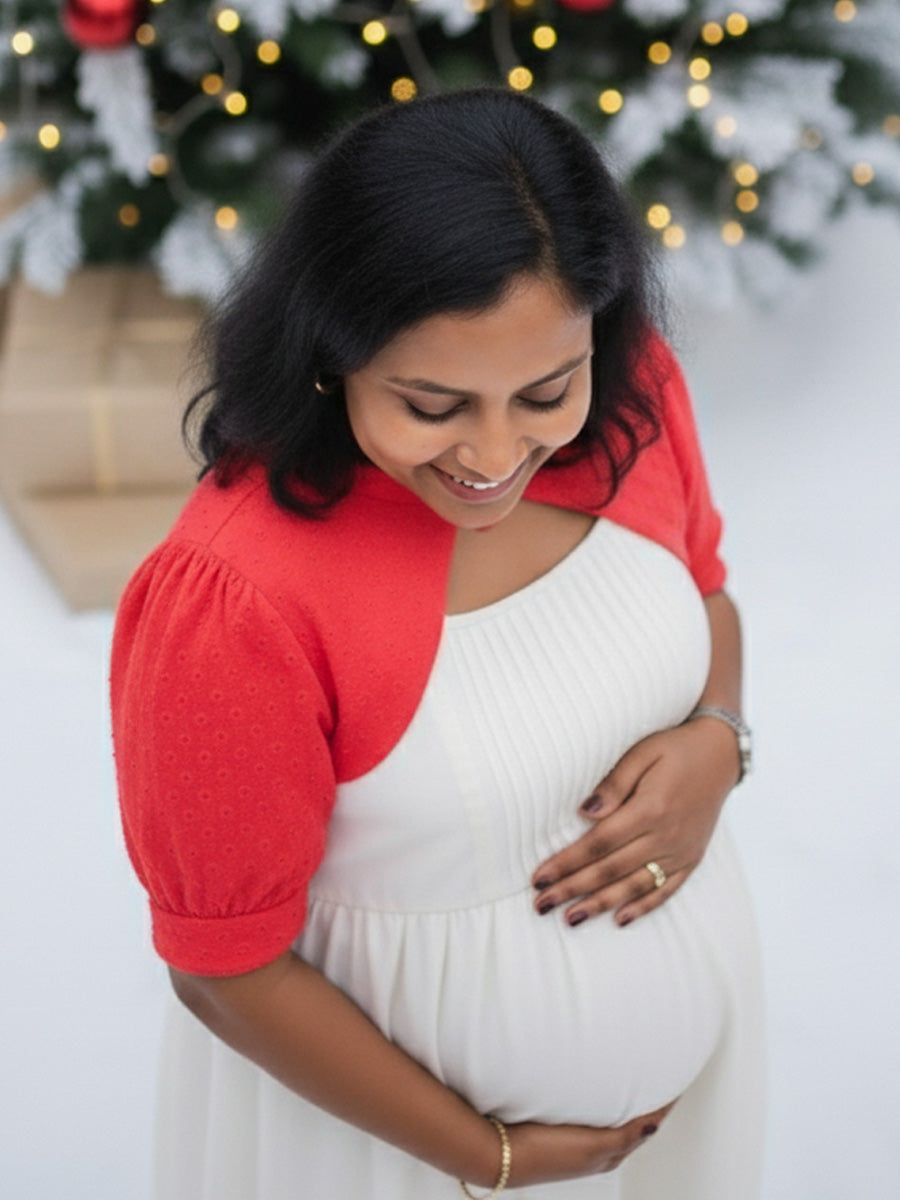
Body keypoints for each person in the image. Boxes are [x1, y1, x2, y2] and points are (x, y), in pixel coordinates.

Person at [111, 88, 764, 1200]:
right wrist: (487, 1155)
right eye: (433, 404)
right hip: (381, 1156)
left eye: (544, 390)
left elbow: (707, 598)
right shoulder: (234, 600)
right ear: (333, 351)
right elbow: (225, 969)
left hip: (672, 1134)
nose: (497, 451)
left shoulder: (633, 393)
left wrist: (718, 738)